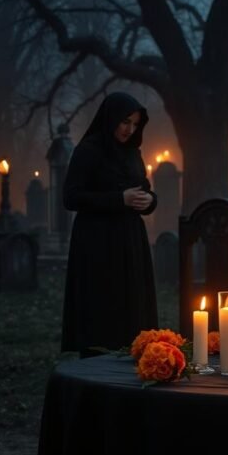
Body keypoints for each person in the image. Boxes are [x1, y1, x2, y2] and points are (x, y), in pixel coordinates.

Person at [62, 92, 158, 356]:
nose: (130, 129)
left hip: (130, 240)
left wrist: (149, 200)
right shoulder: (89, 150)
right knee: (103, 306)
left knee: (132, 307)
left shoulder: (131, 152)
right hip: (97, 242)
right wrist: (119, 199)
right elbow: (71, 197)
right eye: (125, 122)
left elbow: (145, 189)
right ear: (112, 118)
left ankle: (134, 352)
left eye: (136, 124)